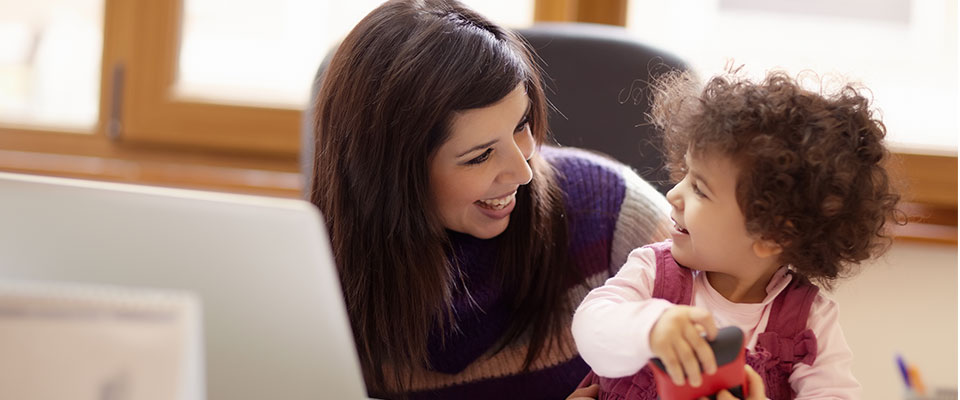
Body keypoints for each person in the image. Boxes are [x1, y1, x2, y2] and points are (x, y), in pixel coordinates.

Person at [308, 0, 671, 398]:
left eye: (522, 126)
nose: (523, 171)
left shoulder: (611, 209)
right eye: (480, 156)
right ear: (389, 174)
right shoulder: (313, 272)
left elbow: (737, 349)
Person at [572, 69, 901, 399]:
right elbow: (590, 329)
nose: (673, 194)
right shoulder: (653, 272)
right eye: (685, 174)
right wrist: (652, 328)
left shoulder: (809, 323)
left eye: (700, 189)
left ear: (771, 234)